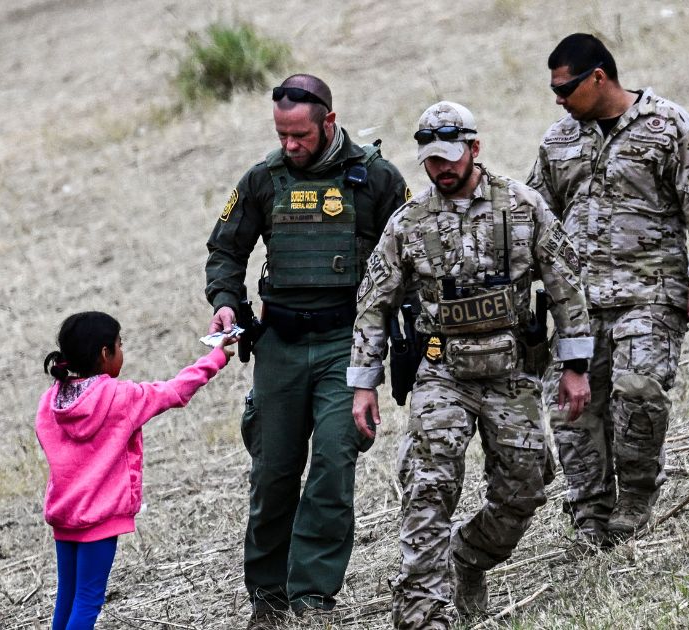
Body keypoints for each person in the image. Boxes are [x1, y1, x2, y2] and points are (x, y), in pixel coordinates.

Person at [350, 101, 594, 629]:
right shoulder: (408, 224)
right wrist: (363, 382)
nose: (441, 168)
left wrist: (575, 365)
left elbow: (567, 288)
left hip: (512, 374)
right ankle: (422, 614)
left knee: (525, 487)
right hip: (443, 375)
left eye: (449, 156)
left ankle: (469, 557)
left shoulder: (523, 207)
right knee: (429, 484)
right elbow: (374, 304)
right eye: (431, 160)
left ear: (474, 149)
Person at [205, 73, 410, 627]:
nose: (290, 145)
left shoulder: (377, 179)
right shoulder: (262, 180)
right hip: (281, 345)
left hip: (348, 345)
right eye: (281, 134)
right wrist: (226, 301)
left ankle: (312, 595)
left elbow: (411, 251)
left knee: (332, 465)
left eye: (300, 135)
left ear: (329, 122)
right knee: (273, 471)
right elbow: (225, 250)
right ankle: (267, 595)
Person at [527, 33, 689, 547]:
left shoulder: (669, 126)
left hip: (651, 291)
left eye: (566, 87)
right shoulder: (558, 142)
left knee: (639, 392)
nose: (558, 99)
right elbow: (534, 216)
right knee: (572, 411)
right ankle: (589, 512)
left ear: (599, 77)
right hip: (579, 303)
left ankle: (636, 497)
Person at [35, 312, 235, 628]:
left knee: (68, 597)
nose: (122, 351)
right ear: (105, 353)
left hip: (65, 515)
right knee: (88, 601)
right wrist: (216, 357)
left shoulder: (51, 401)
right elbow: (175, 391)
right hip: (99, 519)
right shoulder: (120, 397)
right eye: (120, 345)